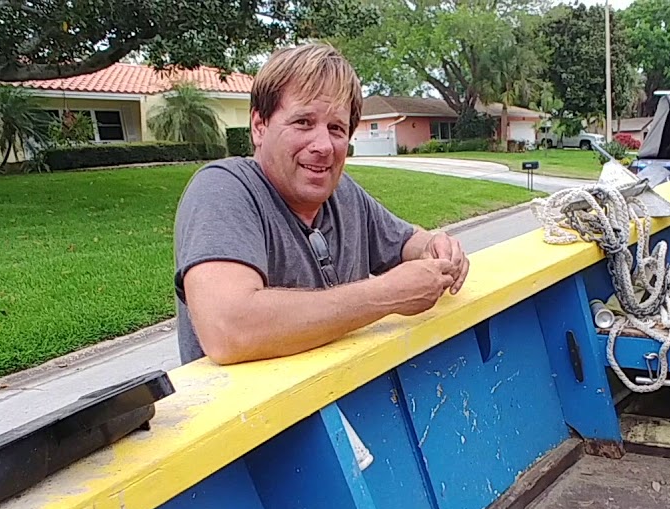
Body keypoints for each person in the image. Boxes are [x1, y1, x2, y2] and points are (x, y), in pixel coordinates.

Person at [173, 42, 470, 365]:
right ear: (259, 127)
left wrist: (435, 248)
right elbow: (229, 329)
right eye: (303, 122)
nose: (323, 146)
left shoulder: (343, 194)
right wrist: (387, 294)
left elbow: (404, 242)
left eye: (336, 129)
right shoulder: (224, 189)